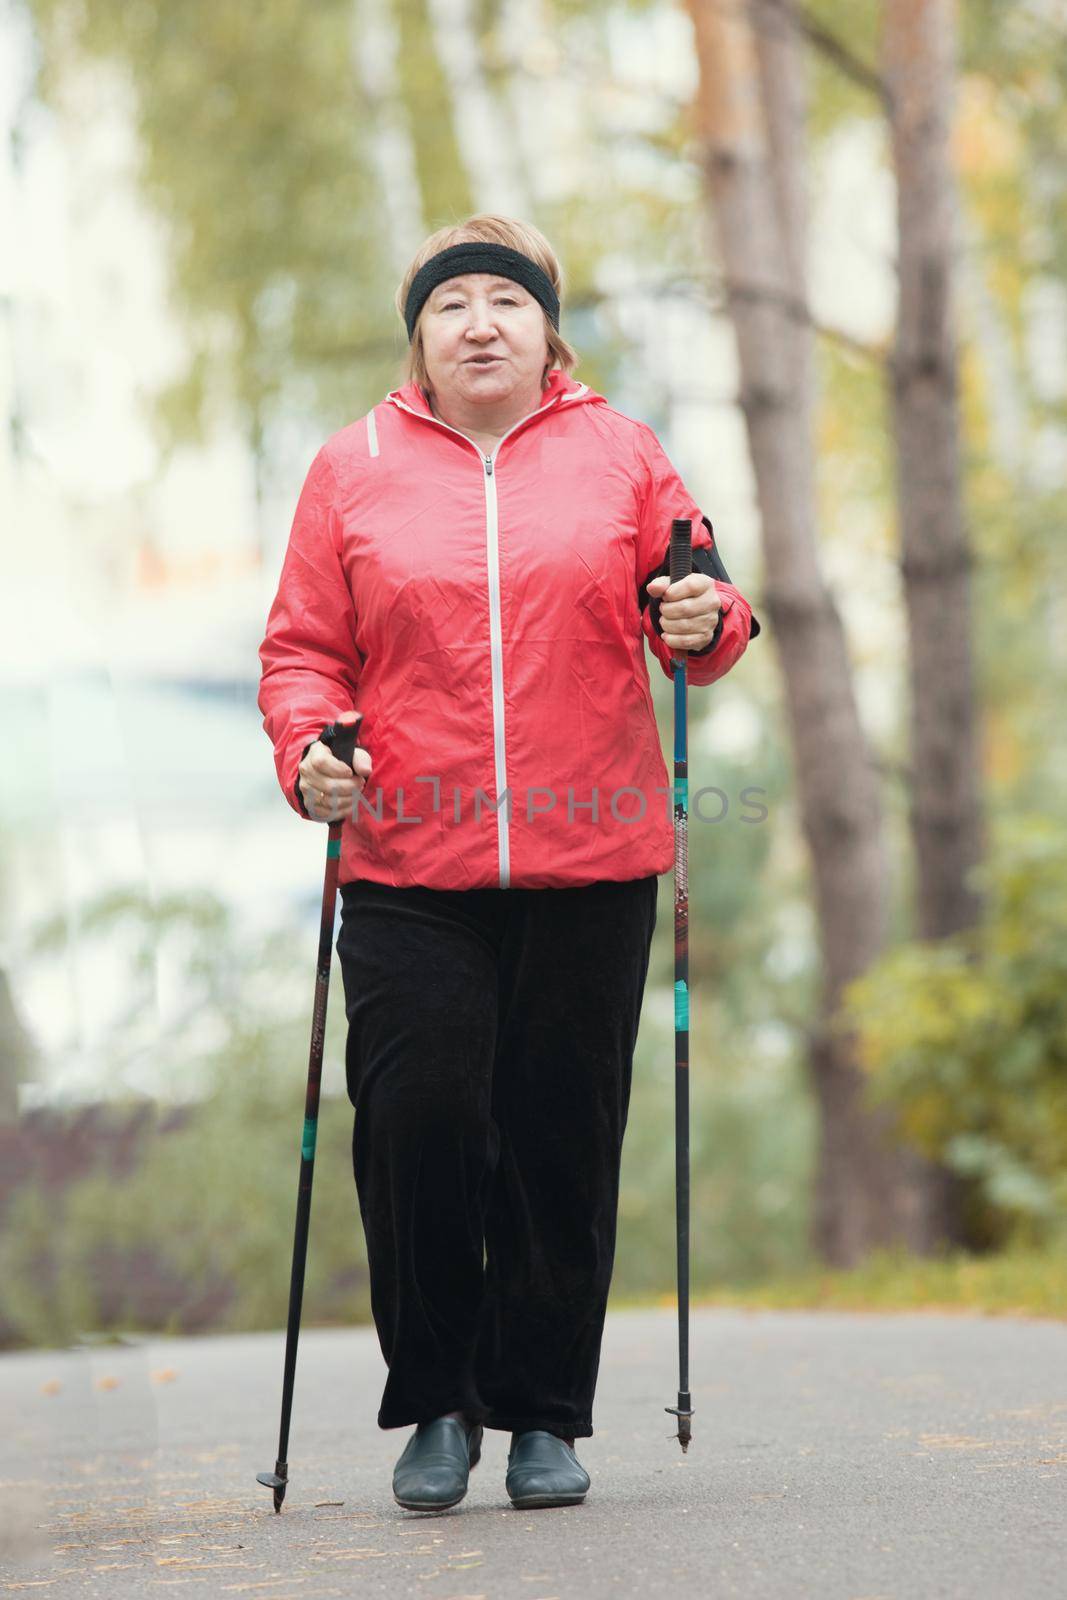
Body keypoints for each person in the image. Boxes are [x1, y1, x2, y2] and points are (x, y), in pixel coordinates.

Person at [257, 213, 760, 1513]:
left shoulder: (623, 455)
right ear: (417, 340)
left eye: (507, 301)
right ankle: (437, 1399)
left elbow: (699, 610)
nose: (480, 321)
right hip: (405, 863)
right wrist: (310, 749)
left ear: (549, 332)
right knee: (419, 1122)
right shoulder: (351, 469)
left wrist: (707, 617)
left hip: (591, 862)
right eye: (450, 304)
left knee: (559, 1134)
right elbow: (303, 651)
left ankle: (543, 1413)